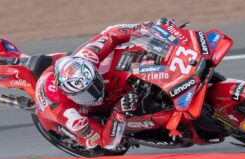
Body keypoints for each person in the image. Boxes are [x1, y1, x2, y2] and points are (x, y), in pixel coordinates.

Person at [35, 18, 176, 150]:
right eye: (85, 94)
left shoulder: (87, 56)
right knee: (90, 143)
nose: (96, 93)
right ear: (70, 95)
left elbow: (112, 32)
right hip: (57, 111)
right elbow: (106, 142)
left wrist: (148, 29)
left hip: (63, 70)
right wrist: (119, 112)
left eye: (94, 83)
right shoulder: (67, 113)